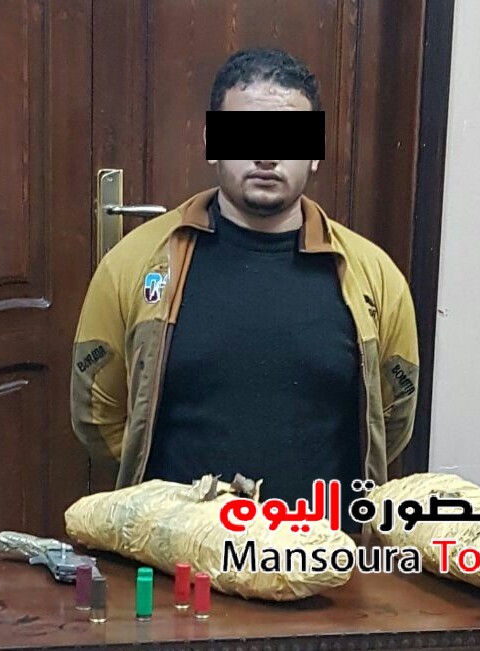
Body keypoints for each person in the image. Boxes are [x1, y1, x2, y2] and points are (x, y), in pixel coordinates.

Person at [70, 47, 419, 532]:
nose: (266, 156)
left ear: (316, 153)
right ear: (212, 143)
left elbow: (391, 419)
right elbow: (98, 414)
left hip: (322, 554)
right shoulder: (135, 265)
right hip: (177, 553)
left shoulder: (374, 276)